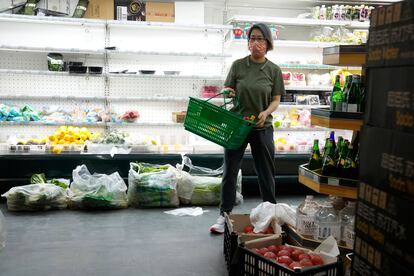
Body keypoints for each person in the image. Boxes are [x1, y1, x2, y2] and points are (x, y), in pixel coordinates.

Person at [210, 23, 285, 234]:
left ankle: (271, 215)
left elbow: (276, 99)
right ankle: (224, 215)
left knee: (265, 172)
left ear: (268, 43)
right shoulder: (238, 66)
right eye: (252, 38)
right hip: (237, 124)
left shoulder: (273, 70)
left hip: (263, 126)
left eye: (260, 39)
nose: (255, 43)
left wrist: (265, 112)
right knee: (230, 171)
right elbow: (228, 89)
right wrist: (228, 92)